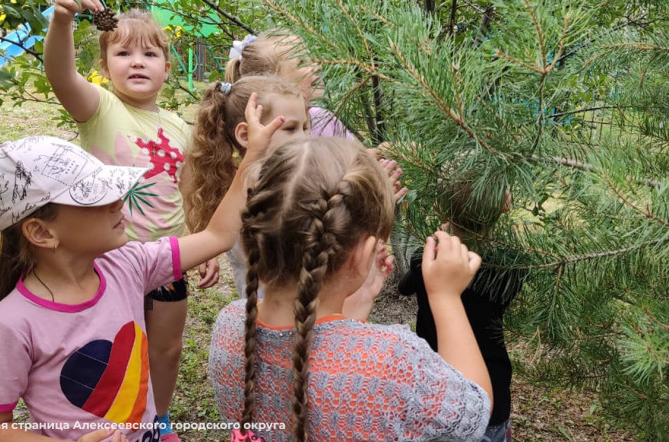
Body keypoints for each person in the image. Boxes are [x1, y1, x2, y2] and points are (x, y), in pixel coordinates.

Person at [0, 101, 282, 441]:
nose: (118, 200)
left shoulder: (128, 266)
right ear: (42, 233)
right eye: (93, 197)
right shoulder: (10, 325)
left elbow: (217, 236)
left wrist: (253, 156)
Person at [209, 137, 493, 442]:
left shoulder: (230, 326)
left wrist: (354, 306)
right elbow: (474, 412)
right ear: (361, 255)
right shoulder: (392, 360)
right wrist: (445, 296)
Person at [43, 0, 219, 440]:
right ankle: (107, 419)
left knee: (167, 346)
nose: (137, 61)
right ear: (104, 68)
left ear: (166, 68)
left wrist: (203, 242)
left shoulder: (179, 126)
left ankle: (157, 419)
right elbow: (61, 76)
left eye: (149, 53)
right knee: (111, 344)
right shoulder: (100, 109)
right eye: (122, 53)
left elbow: (186, 189)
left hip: (166, 258)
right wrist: (62, 21)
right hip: (111, 258)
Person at [184, 76, 404, 299]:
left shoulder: (285, 182)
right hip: (277, 316)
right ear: (246, 135)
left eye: (305, 127)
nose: (304, 138)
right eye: (290, 128)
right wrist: (371, 207)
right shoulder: (256, 194)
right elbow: (324, 248)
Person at [398, 168, 521, 442]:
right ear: (505, 205)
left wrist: (439, 238)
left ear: (441, 206)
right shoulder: (512, 264)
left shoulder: (425, 259)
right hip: (491, 395)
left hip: (434, 385)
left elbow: (404, 287)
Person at [226, 33, 356, 140]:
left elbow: (357, 159)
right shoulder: (264, 135)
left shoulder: (324, 119)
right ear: (273, 84)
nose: (317, 67)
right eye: (302, 63)